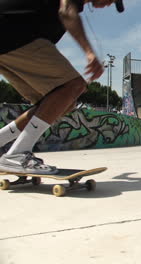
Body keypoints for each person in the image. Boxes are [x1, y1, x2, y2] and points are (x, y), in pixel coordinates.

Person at [0, 0, 124, 174]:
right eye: (111, 0)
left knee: (57, 104)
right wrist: (89, 52)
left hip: (10, 40)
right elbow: (66, 11)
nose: (108, 4)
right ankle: (16, 155)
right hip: (13, 34)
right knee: (74, 85)